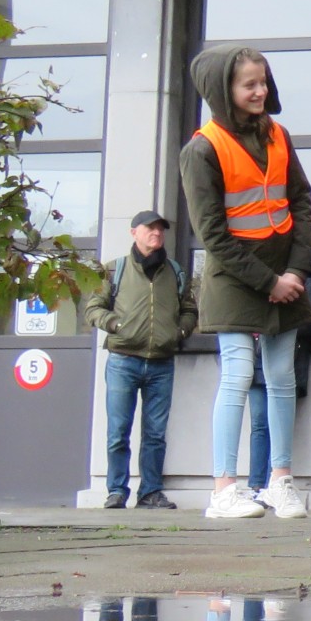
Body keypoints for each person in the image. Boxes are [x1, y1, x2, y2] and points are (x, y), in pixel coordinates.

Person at [180, 45, 311, 521]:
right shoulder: (202, 149)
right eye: (249, 85)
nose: (260, 91)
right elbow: (212, 234)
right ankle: (224, 490)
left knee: (282, 379)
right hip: (236, 278)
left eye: (263, 81)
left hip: (287, 276)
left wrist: (297, 271)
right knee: (238, 376)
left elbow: (302, 200)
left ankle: (281, 481)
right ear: (224, 91)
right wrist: (269, 282)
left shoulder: (279, 134)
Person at [89, 210, 196, 509]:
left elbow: (189, 309)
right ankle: (116, 491)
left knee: (155, 434)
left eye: (161, 229)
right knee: (117, 432)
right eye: (150, 228)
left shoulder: (175, 272)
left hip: (162, 363)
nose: (157, 233)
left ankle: (150, 492)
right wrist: (117, 325)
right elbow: (93, 308)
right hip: (123, 361)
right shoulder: (114, 270)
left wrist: (180, 331)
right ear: (134, 232)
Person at [244, 271, 311, 491]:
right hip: (256, 361)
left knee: (277, 425)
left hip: (286, 361)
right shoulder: (255, 269)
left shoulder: (305, 274)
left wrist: (283, 326)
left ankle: (275, 486)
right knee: (259, 425)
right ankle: (256, 487)